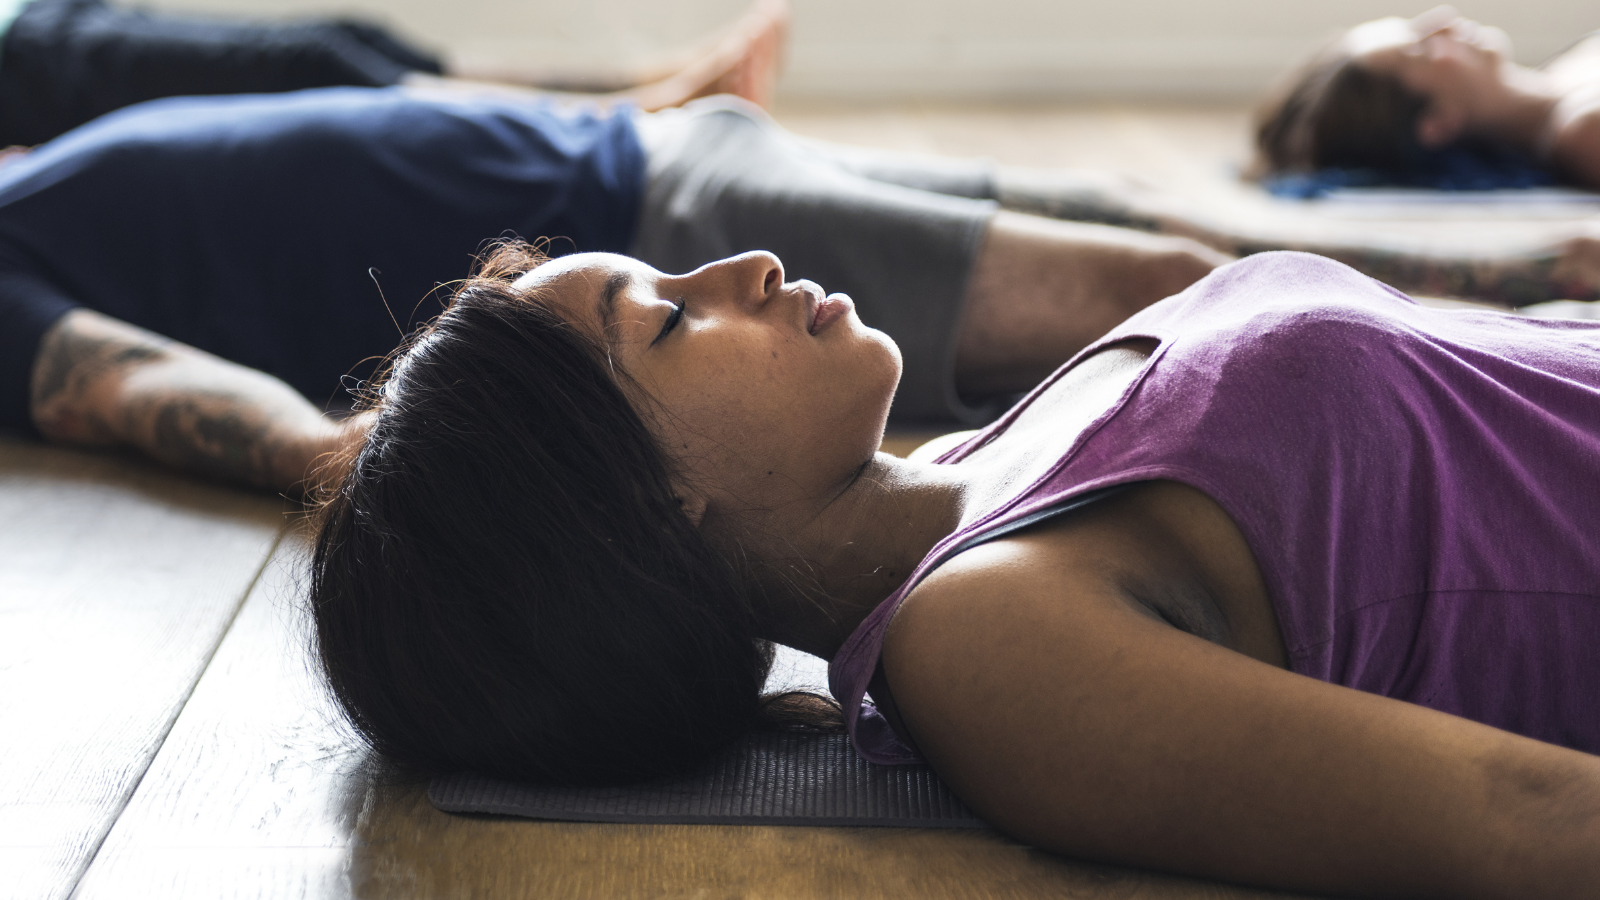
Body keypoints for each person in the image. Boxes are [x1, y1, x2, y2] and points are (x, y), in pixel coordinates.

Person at [308, 242, 1600, 897]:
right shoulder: (985, 644)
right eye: (667, 318)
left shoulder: (976, 456)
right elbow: (1522, 822)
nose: (741, 267)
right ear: (649, 510)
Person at [2, 84, 1226, 492]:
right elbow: (118, 387)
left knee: (1115, 231)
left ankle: (1404, 294)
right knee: (1163, 289)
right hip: (655, 237)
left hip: (652, 170)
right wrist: (384, 461)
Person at [0, 0, 790, 147]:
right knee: (319, 70)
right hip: (24, 69)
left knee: (349, 39)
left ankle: (634, 88)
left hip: (31, 22)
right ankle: (632, 112)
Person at [1254, 5, 1600, 192]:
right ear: (1437, 122)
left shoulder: (1564, 71)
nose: (1443, 20)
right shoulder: (1584, 132)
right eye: (1421, 46)